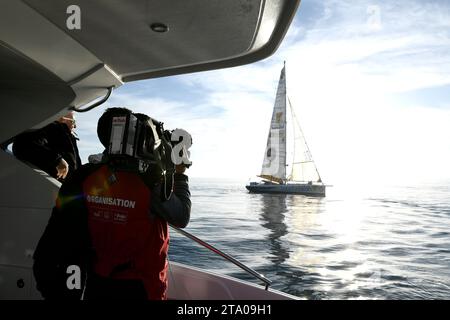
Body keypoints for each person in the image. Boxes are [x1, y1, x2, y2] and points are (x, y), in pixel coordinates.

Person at [32, 107, 191, 300]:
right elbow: (181, 216)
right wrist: (180, 173)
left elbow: (60, 231)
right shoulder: (150, 183)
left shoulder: (85, 177)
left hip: (97, 284)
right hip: (142, 288)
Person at [12, 111, 81, 180]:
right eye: (73, 122)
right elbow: (22, 144)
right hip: (50, 185)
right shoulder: (52, 128)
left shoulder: (69, 137)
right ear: (62, 119)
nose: (75, 126)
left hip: (67, 186)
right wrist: (57, 160)